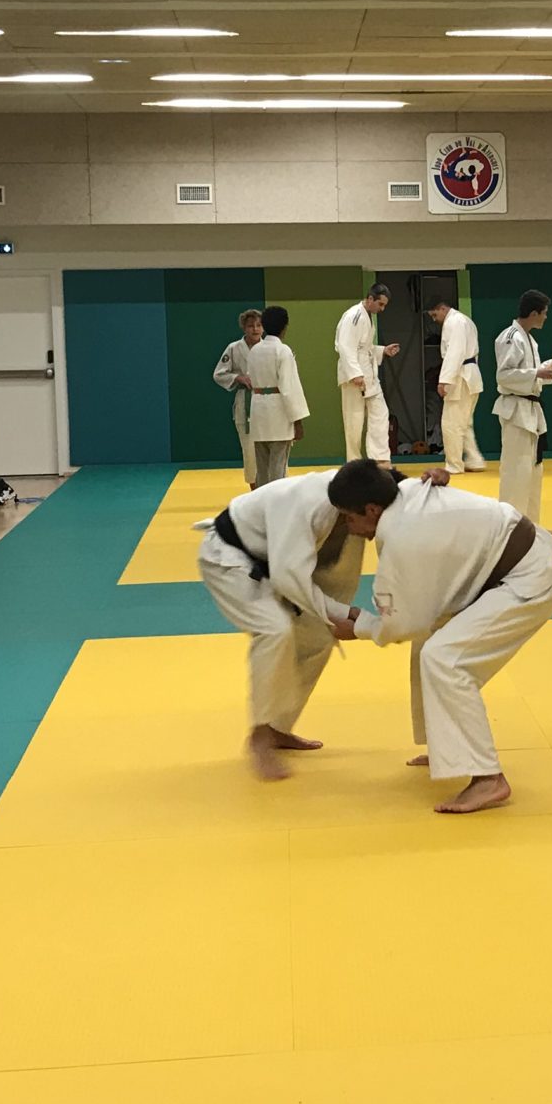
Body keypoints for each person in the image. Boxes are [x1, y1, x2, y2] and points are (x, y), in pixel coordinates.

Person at [327, 460, 552, 815]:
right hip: (498, 569)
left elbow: (403, 624)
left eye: (349, 517)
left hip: (528, 580)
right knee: (430, 643)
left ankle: (488, 778)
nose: (348, 527)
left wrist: (359, 627)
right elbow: (416, 617)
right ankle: (448, 750)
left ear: (372, 510)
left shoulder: (403, 539)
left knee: (444, 659)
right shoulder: (402, 492)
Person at [196, 463, 368, 780]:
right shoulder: (306, 503)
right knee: (274, 630)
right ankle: (259, 735)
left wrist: (434, 481)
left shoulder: (369, 493)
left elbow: (408, 496)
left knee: (318, 640)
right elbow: (289, 578)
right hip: (230, 558)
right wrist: (341, 613)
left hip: (274, 563)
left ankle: (277, 727)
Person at [492, 291, 552, 524]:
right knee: (516, 471)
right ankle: (510, 523)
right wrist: (538, 372)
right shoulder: (510, 336)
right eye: (544, 313)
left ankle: (531, 523)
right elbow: (504, 376)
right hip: (516, 411)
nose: (546, 317)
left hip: (531, 411)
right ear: (533, 313)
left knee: (533, 471)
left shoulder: (528, 339)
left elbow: (531, 373)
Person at [336, 282, 400, 464]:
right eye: (380, 304)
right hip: (354, 375)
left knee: (381, 414)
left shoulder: (367, 316)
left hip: (369, 374)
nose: (382, 309)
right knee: (354, 420)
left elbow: (365, 348)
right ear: (370, 298)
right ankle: (354, 461)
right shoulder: (354, 316)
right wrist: (355, 373)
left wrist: (383, 350)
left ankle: (379, 458)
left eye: (384, 305)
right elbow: (346, 347)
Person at [243, 305, 308, 485]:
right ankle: (276, 500)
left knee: (262, 468)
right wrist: (298, 420)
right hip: (278, 411)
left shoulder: (254, 350)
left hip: (258, 408)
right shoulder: (283, 351)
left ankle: (262, 499)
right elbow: (289, 388)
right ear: (284, 327)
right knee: (278, 467)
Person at [427, 296, 486, 473]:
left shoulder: (455, 322)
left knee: (451, 423)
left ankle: (454, 464)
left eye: (435, 314)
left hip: (460, 376)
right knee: (464, 423)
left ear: (443, 308)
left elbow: (455, 352)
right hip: (469, 374)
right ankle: (475, 460)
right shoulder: (465, 321)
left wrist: (445, 380)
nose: (434, 319)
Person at [214, 309, 264, 487]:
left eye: (259, 325)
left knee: (269, 449)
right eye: (251, 326)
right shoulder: (234, 348)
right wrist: (238, 378)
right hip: (245, 402)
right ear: (244, 328)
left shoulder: (271, 348)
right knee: (249, 451)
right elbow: (219, 374)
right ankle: (254, 490)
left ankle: (271, 490)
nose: (255, 329)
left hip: (267, 400)